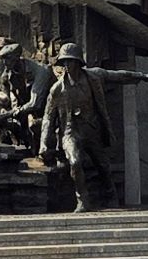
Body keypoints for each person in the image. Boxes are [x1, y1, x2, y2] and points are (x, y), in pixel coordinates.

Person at [37, 43, 134, 212]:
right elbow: (48, 118)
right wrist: (43, 143)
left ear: (78, 62)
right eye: (64, 62)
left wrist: (141, 76)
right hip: (70, 132)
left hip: (91, 129)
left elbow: (117, 75)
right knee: (74, 161)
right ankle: (82, 200)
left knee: (103, 165)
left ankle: (110, 194)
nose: (67, 66)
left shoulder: (92, 77)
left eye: (70, 62)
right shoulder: (57, 90)